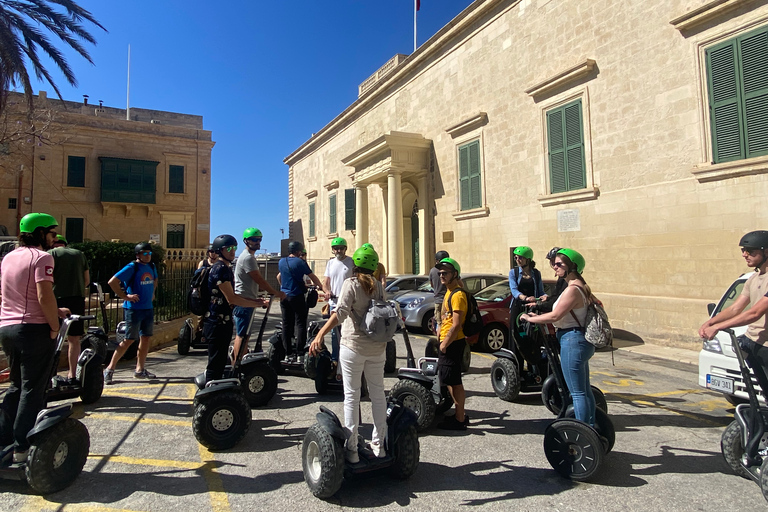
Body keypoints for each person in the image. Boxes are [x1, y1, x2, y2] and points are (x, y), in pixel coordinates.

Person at [0, 213, 70, 463]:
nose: (54, 238)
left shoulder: (8, 257)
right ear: (40, 233)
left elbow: (14, 293)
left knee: (16, 386)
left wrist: (56, 311)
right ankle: (22, 447)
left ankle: (4, 440)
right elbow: (43, 296)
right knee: (33, 388)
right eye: (51, 233)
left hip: (8, 328)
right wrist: (54, 324)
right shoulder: (43, 258)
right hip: (33, 330)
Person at [309, 245, 388, 462]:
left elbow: (340, 313)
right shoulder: (379, 287)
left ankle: (352, 449)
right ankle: (379, 446)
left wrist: (321, 334)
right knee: (378, 395)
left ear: (356, 265)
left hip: (353, 347)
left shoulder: (351, 284)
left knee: (352, 396)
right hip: (377, 348)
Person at [521, 248, 596, 426]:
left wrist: (530, 319)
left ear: (572, 266)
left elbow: (556, 316)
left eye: (559, 264)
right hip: (578, 340)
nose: (555, 267)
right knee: (584, 391)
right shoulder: (580, 286)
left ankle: (583, 430)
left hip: (572, 340)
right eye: (554, 264)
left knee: (577, 393)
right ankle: (591, 426)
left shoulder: (573, 289)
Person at [700, 231, 768, 394]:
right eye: (743, 250)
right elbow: (735, 308)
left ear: (766, 252)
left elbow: (754, 313)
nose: (745, 255)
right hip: (754, 343)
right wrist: (710, 322)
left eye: (751, 251)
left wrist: (717, 327)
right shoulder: (753, 278)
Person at [203, 234, 268, 382]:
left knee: (219, 361)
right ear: (220, 251)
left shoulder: (225, 267)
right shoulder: (220, 269)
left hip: (222, 322)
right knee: (215, 363)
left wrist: (254, 300)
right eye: (229, 249)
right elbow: (232, 298)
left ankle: (216, 392)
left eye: (234, 248)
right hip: (216, 322)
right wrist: (257, 303)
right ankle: (211, 395)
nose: (233, 251)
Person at [103, 242, 158, 384]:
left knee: (145, 338)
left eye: (149, 253)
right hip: (133, 309)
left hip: (147, 308)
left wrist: (152, 293)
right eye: (144, 253)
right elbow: (113, 282)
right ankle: (110, 369)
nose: (147, 256)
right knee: (129, 339)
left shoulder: (151, 266)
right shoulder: (132, 267)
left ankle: (140, 370)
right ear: (138, 255)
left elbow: (155, 279)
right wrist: (125, 297)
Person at [232, 228, 285, 362]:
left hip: (248, 299)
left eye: (259, 240)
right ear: (246, 241)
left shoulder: (248, 257)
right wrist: (275, 292)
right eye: (254, 240)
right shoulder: (248, 258)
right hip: (244, 301)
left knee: (245, 334)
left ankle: (241, 361)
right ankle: (239, 364)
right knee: (242, 335)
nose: (257, 242)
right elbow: (258, 279)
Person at [48, 235, 90, 383]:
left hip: (56, 299)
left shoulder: (50, 254)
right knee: (74, 339)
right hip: (77, 299)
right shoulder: (79, 254)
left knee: (53, 337)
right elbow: (87, 280)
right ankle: (72, 375)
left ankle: (50, 375)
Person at [435, 257, 469, 430]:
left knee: (455, 381)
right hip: (447, 341)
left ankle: (460, 419)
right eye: (440, 273)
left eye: (445, 273)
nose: (441, 275)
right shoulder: (449, 291)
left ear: (454, 274)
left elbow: (456, 324)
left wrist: (445, 344)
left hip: (453, 343)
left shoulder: (458, 294)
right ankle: (459, 414)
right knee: (449, 379)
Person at [278, 241, 324, 359]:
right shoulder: (300, 262)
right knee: (300, 323)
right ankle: (300, 353)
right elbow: (312, 276)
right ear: (298, 251)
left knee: (286, 324)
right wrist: (321, 287)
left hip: (284, 296)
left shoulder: (282, 261)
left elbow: (279, 277)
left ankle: (287, 353)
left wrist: (284, 287)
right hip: (296, 296)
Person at [508, 246, 547, 377]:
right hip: (518, 308)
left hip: (532, 308)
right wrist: (524, 297)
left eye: (520, 257)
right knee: (518, 338)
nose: (517, 259)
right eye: (516, 257)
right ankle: (517, 371)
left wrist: (544, 296)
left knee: (533, 338)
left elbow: (540, 290)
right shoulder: (513, 272)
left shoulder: (536, 273)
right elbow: (513, 290)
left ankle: (534, 370)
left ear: (528, 259)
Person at [324, 237, 354, 367]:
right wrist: (326, 291)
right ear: (332, 250)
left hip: (348, 303)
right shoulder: (330, 263)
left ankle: (349, 357)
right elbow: (326, 282)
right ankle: (336, 359)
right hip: (334, 303)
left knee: (348, 332)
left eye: (341, 248)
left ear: (345, 249)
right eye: (336, 248)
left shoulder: (351, 262)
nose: (338, 250)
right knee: (334, 333)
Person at [538, 246, 567, 313]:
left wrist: (537, 307)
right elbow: (556, 295)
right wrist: (548, 298)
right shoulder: (562, 278)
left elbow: (557, 302)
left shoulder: (569, 282)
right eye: (553, 263)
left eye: (558, 264)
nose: (555, 267)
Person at [429, 250, 450, 334]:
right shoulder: (450, 270)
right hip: (448, 300)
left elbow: (432, 285)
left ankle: (440, 342)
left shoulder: (433, 271)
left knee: (439, 323)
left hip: (438, 300)